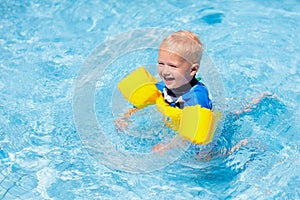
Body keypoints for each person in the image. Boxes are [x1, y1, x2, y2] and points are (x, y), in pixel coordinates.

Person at [115, 30, 212, 151]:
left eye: (172, 66)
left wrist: (169, 146)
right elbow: (139, 103)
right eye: (161, 63)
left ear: (193, 70)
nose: (165, 71)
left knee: (203, 158)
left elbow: (193, 132)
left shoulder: (196, 97)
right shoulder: (163, 87)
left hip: (201, 139)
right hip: (173, 123)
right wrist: (125, 117)